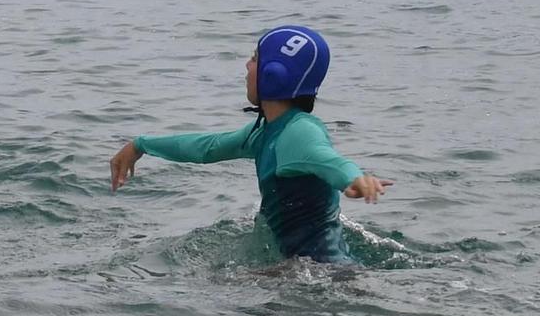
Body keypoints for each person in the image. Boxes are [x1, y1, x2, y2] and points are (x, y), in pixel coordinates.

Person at [107, 26, 390, 264]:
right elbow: (206, 147)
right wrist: (141, 145)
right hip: (309, 270)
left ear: (273, 74)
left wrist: (354, 179)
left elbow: (325, 158)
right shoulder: (266, 133)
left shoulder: (298, 132)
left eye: (255, 58)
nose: (246, 65)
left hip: (324, 274)